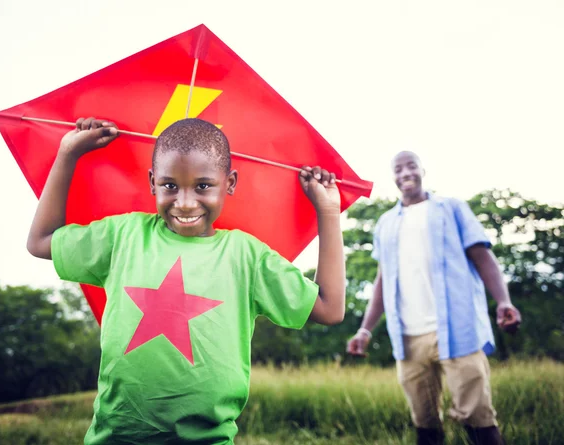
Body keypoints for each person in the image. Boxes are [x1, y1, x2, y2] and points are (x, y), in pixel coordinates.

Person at [26, 117, 346, 444]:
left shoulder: (246, 255)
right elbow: (41, 242)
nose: (185, 202)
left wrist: (329, 213)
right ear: (152, 182)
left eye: (203, 186)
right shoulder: (123, 235)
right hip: (116, 437)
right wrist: (68, 153)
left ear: (230, 183)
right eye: (169, 186)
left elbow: (329, 308)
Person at [346, 151, 521, 445]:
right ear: (393, 176)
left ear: (422, 169)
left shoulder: (451, 209)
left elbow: (483, 257)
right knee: (425, 426)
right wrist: (365, 329)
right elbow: (382, 281)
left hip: (457, 330)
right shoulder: (386, 224)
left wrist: (503, 301)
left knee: (479, 420)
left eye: (410, 166)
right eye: (398, 169)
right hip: (408, 338)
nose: (405, 173)